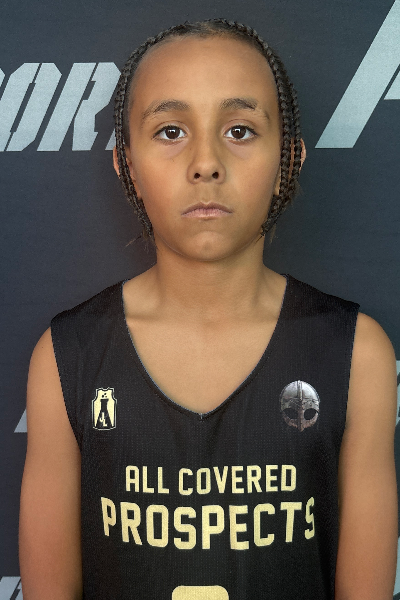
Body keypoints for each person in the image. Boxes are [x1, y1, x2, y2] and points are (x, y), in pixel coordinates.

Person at [19, 18, 398, 600]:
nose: (206, 162)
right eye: (171, 131)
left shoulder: (354, 353)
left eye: (240, 130)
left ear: (288, 161)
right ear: (127, 166)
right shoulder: (68, 356)